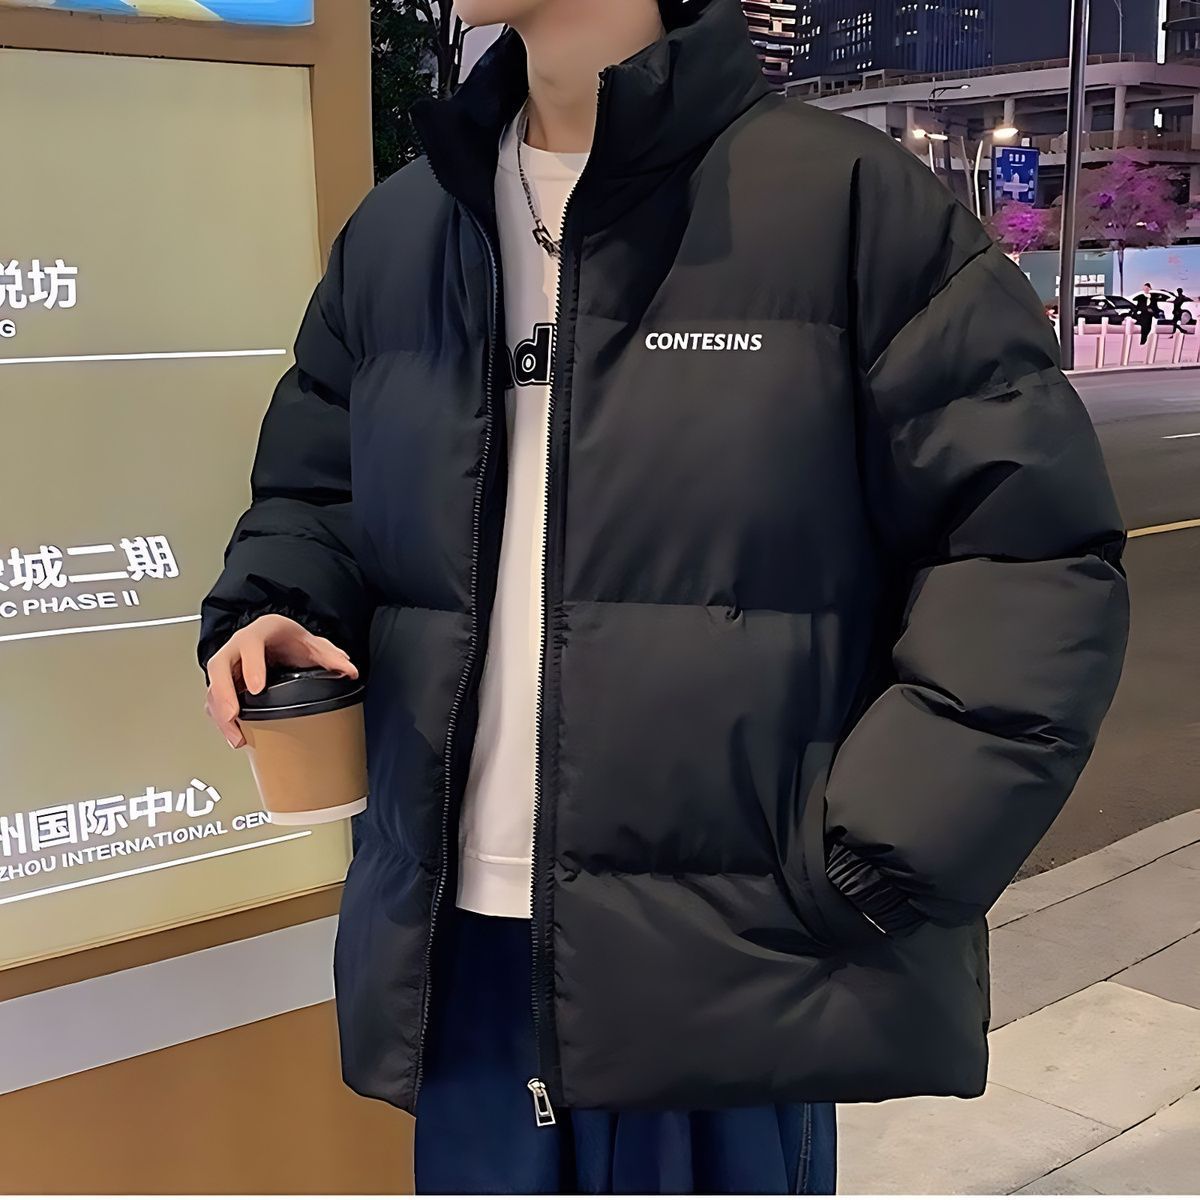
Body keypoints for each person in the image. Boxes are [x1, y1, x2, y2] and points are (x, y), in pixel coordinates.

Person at [197, 0, 1130, 1192]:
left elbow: (1030, 557)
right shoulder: (403, 232)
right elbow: (315, 494)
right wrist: (279, 604)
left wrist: (872, 862)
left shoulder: (848, 205)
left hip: (732, 962)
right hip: (458, 954)